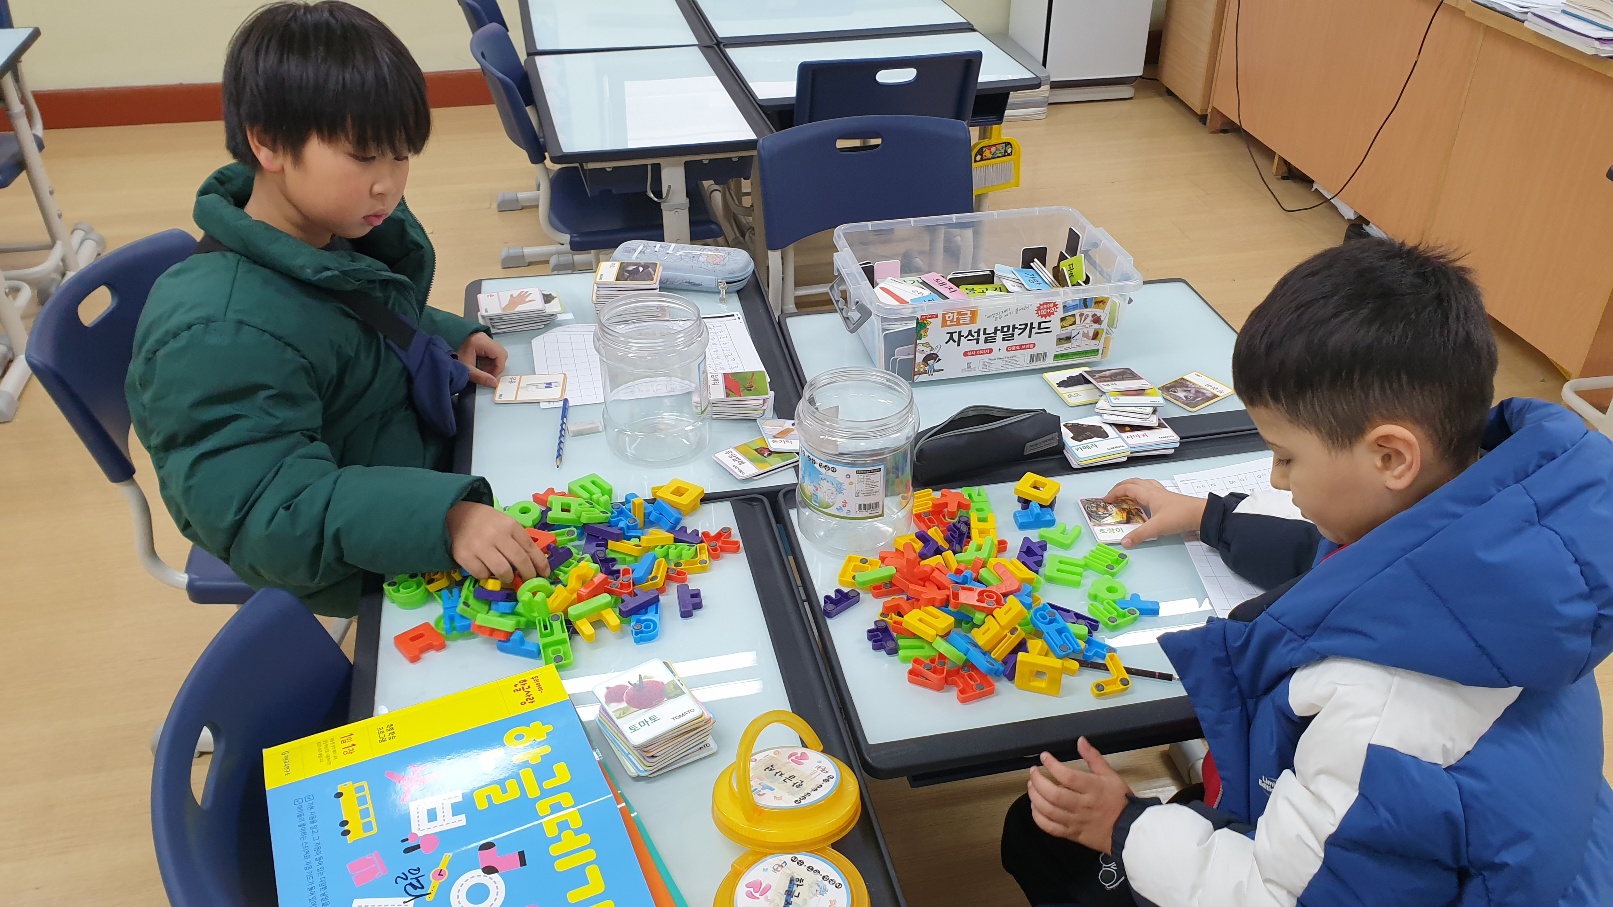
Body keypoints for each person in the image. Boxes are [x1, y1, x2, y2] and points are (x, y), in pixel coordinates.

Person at [1002, 239, 1613, 905]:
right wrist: (1207, 516)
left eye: (1285, 457)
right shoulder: (1505, 554)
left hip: (1317, 870)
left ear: (1389, 457)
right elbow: (1325, 563)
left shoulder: (1381, 718)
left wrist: (1121, 826)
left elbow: (1273, 896)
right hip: (1476, 856)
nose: (1274, 477)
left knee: (1035, 841)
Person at [127, 1, 546, 618]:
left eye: (400, 155)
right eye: (363, 156)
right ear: (268, 144)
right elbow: (267, 514)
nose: (389, 184)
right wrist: (444, 519)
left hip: (406, 476)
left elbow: (344, 323)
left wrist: (437, 334)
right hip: (361, 549)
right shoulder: (217, 335)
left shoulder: (322, 231)